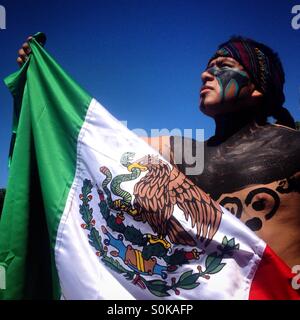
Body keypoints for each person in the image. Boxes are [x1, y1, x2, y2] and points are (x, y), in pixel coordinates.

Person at [17, 36, 300, 268]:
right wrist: (40, 86)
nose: (205, 74)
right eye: (208, 66)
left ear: (257, 89)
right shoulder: (185, 153)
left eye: (222, 66)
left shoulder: (292, 147)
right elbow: (94, 141)